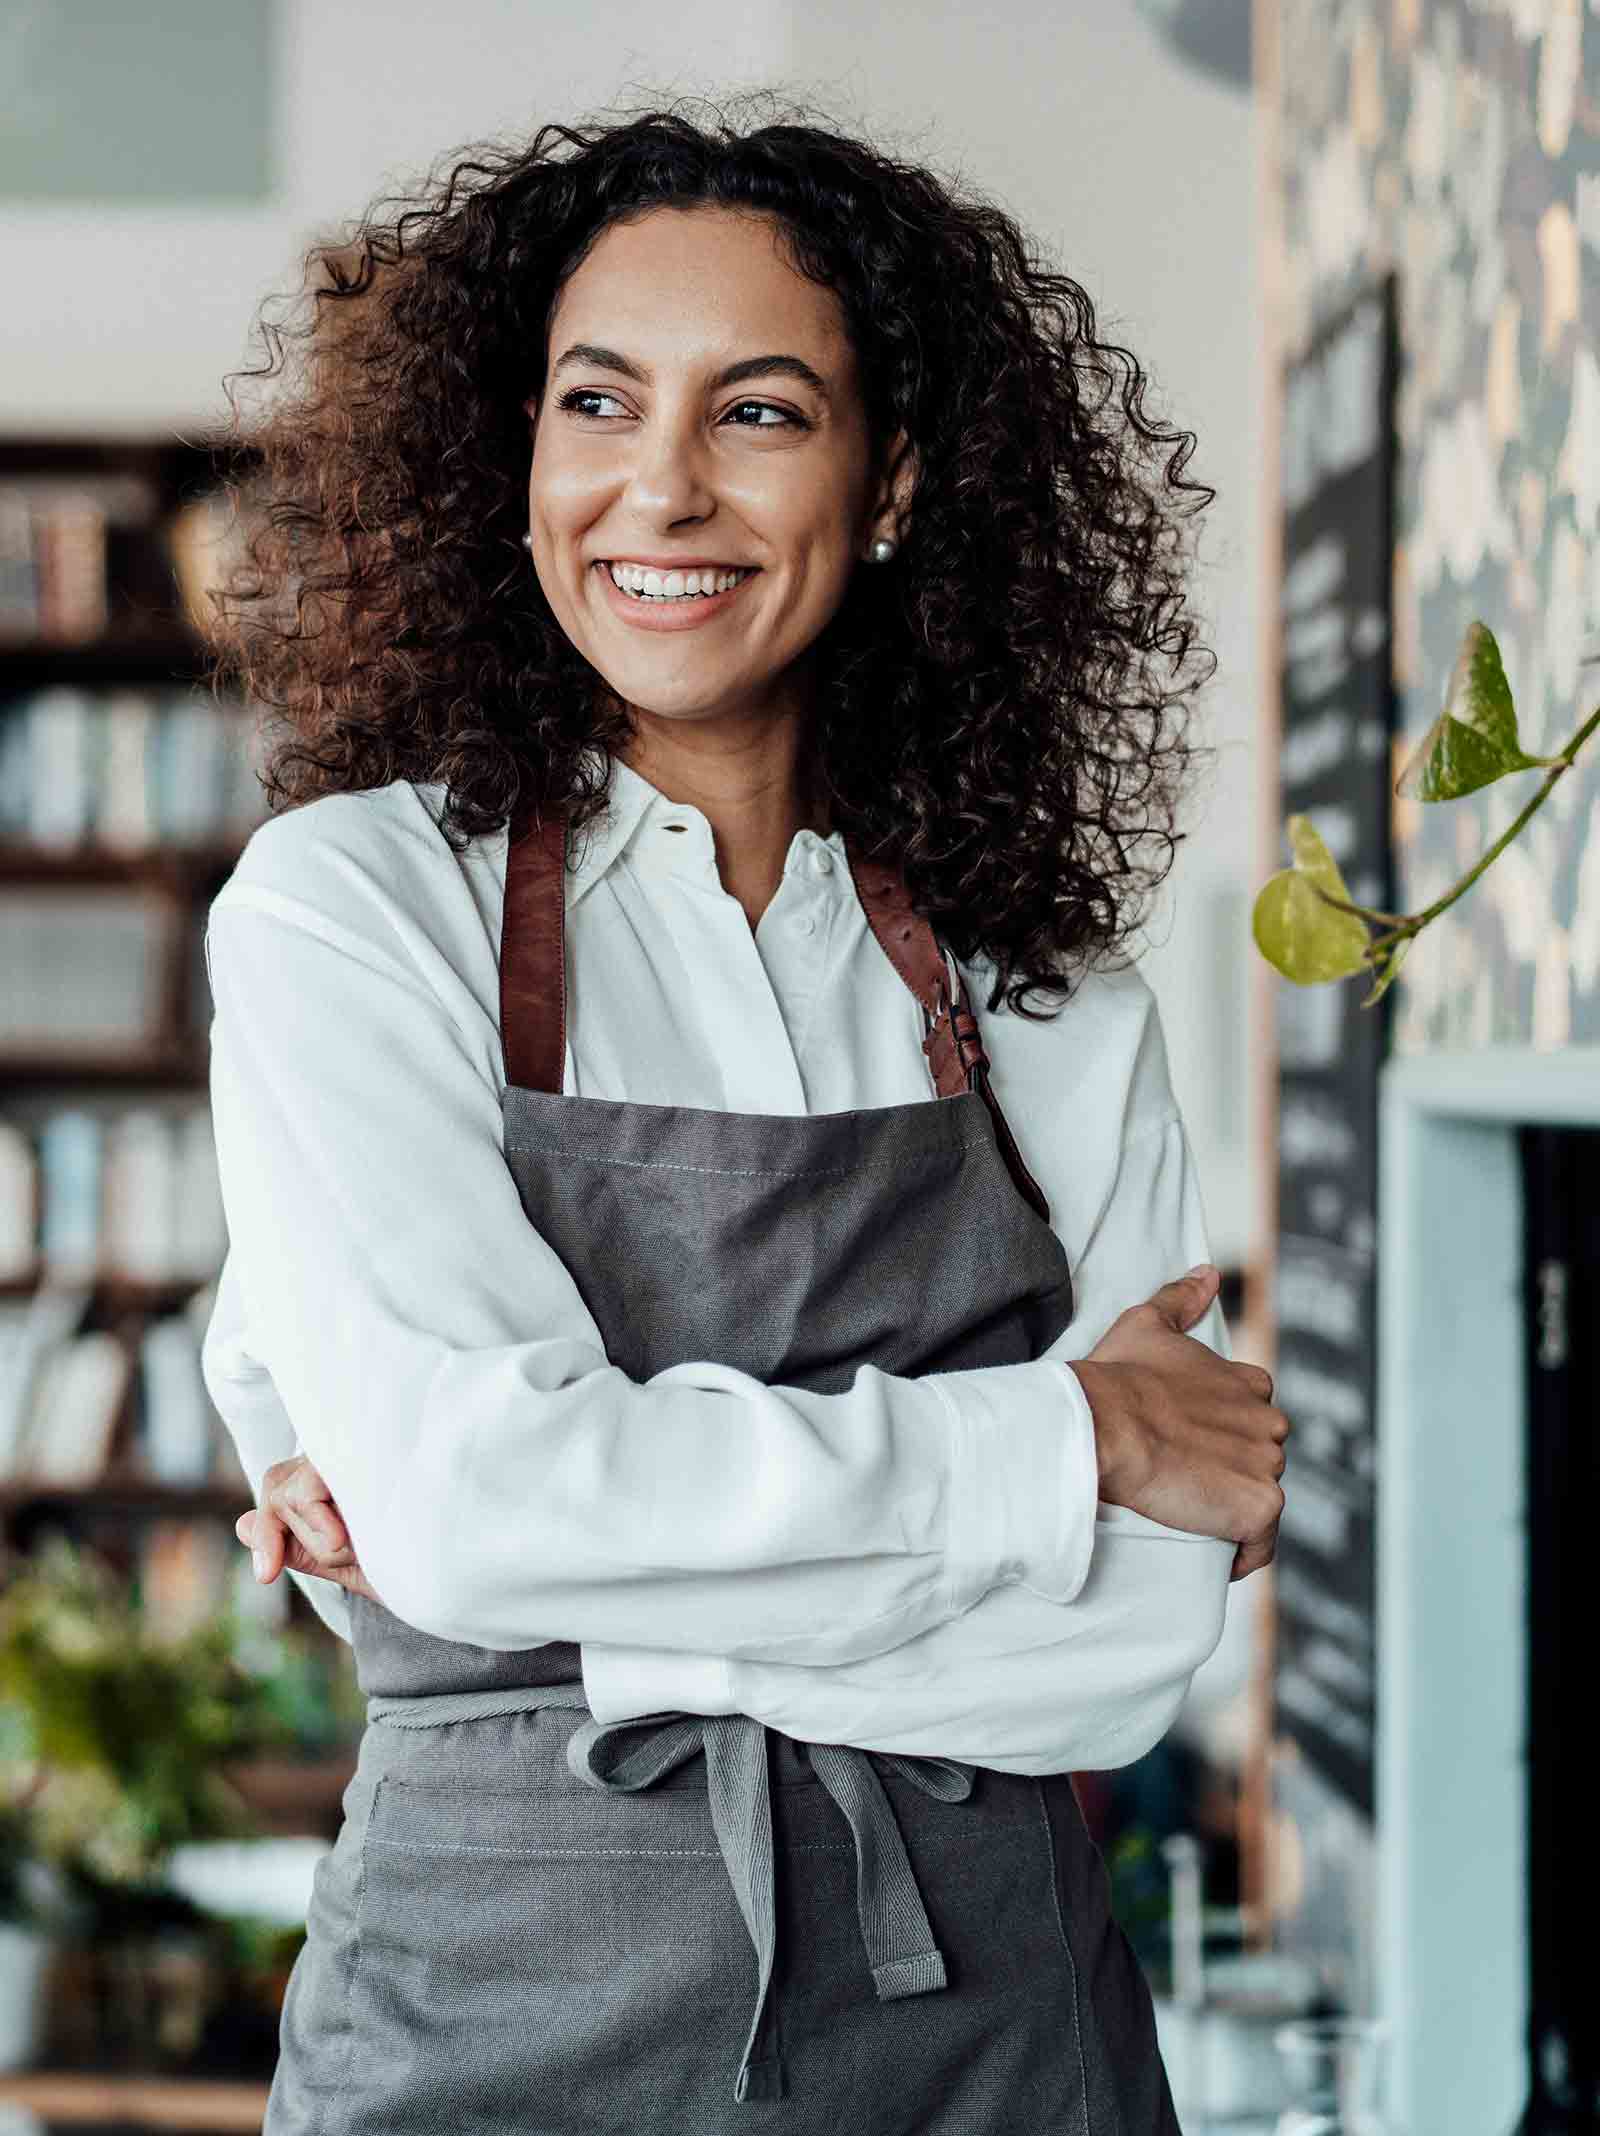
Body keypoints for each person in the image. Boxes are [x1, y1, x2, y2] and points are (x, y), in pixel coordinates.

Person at [200, 91, 1289, 2135]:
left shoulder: (1037, 985)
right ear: (508, 459)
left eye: (761, 412)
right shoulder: (350, 913)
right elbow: (466, 1500)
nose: (660, 489)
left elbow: (1135, 1643)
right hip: (487, 2043)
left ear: (885, 484)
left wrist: (566, 1621)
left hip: (1000, 2044)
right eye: (596, 402)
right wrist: (1063, 1438)